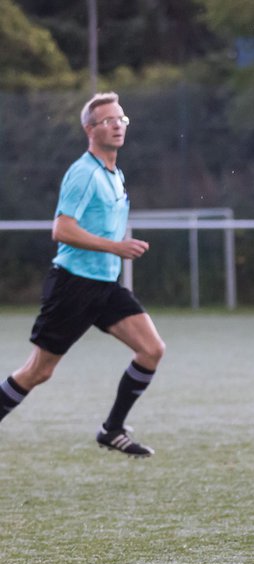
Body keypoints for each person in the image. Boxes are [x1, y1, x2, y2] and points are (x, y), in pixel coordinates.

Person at [0, 92, 165, 455]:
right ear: (90, 129)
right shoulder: (84, 173)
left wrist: (115, 250)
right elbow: (62, 230)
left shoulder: (115, 174)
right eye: (108, 120)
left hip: (105, 285)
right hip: (73, 285)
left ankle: (111, 429)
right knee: (38, 371)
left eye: (121, 118)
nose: (117, 125)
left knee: (151, 350)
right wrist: (117, 247)